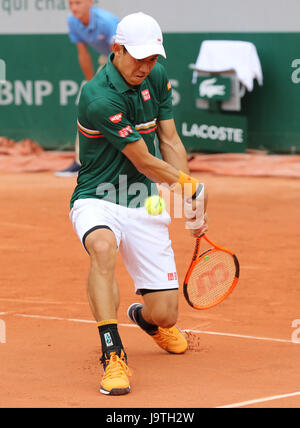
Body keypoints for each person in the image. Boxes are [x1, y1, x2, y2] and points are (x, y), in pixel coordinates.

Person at [69, 12, 208, 396]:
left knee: (165, 315)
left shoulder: (155, 77)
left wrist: (189, 201)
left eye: (152, 59)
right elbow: (144, 159)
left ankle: (144, 318)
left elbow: (170, 141)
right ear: (117, 49)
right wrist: (191, 187)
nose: (146, 67)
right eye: (139, 58)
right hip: (97, 198)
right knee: (102, 248)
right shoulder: (98, 96)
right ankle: (113, 355)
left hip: (143, 201)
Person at [56, 0, 119, 177]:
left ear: (90, 2)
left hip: (127, 61)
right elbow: (83, 53)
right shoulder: (73, 21)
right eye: (71, 3)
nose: (74, 7)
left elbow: (120, 54)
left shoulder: (106, 22)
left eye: (78, 2)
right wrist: (91, 84)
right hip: (107, 60)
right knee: (89, 105)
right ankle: (81, 162)